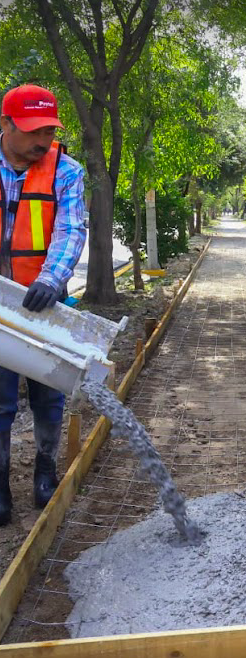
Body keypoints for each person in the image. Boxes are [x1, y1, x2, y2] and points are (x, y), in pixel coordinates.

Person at [0, 84, 86, 525]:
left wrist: (51, 278)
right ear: (6, 124)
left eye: (49, 132)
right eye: (34, 132)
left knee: (48, 394)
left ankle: (45, 469)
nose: (43, 141)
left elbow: (70, 229)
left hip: (44, 302)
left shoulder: (65, 171)